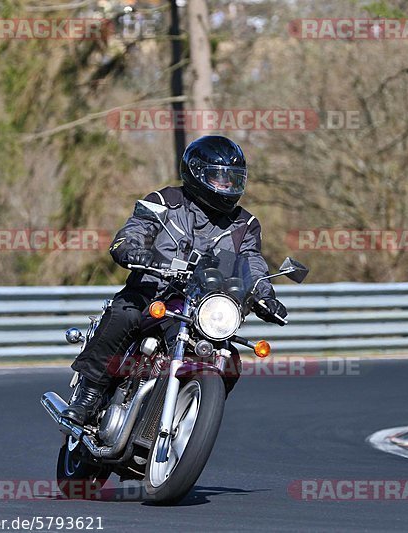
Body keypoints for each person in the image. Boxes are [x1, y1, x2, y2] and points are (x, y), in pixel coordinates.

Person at [62, 135, 288, 425]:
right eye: (219, 179)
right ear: (195, 173)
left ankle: (190, 418)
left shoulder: (245, 224)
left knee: (228, 359)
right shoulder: (163, 202)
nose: (227, 187)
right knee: (123, 314)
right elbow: (133, 233)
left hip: (201, 306)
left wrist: (264, 295)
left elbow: (252, 264)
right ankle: (89, 395)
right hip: (152, 294)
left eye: (233, 180)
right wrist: (136, 251)